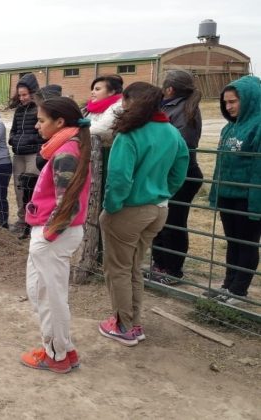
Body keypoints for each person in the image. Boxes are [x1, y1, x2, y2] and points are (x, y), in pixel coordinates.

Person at [99, 82, 188, 346]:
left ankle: (124, 325)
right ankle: (134, 322)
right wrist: (162, 192)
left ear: (129, 102)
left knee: (117, 269)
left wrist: (112, 207)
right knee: (134, 267)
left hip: (128, 210)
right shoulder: (172, 132)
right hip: (158, 209)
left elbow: (119, 178)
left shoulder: (129, 135)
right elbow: (180, 170)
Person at [19, 97, 91, 374]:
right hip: (54, 233)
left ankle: (56, 355)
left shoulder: (65, 153)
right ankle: (63, 348)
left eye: (41, 120)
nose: (37, 125)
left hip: (54, 236)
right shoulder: (68, 147)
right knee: (46, 294)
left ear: (60, 122)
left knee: (47, 297)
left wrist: (46, 237)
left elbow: (68, 204)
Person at [207, 75, 261, 304]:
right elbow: (220, 165)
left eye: (233, 102)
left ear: (249, 100)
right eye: (225, 103)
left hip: (248, 198)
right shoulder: (229, 128)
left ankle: (239, 290)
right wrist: (215, 194)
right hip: (228, 195)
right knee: (232, 242)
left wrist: (255, 202)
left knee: (247, 243)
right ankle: (227, 284)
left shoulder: (258, 126)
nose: (228, 107)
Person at [149, 70, 204, 285]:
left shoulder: (184, 110)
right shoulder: (170, 106)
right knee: (161, 221)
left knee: (174, 222)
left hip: (181, 173)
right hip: (165, 172)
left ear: (170, 89)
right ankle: (160, 265)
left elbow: (183, 144)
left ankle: (173, 270)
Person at [8, 73, 43, 239]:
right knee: (19, 188)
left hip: (33, 154)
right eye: (20, 95)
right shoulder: (19, 110)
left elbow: (43, 132)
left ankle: (33, 221)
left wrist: (30, 140)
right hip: (18, 154)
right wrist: (13, 139)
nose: (21, 98)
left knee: (32, 187)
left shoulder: (40, 109)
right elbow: (13, 130)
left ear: (33, 93)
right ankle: (22, 219)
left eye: (25, 95)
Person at [82, 75, 123, 145]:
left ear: (111, 92)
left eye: (97, 89)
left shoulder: (118, 106)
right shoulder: (89, 107)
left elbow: (102, 129)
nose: (92, 92)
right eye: (92, 89)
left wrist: (78, 126)